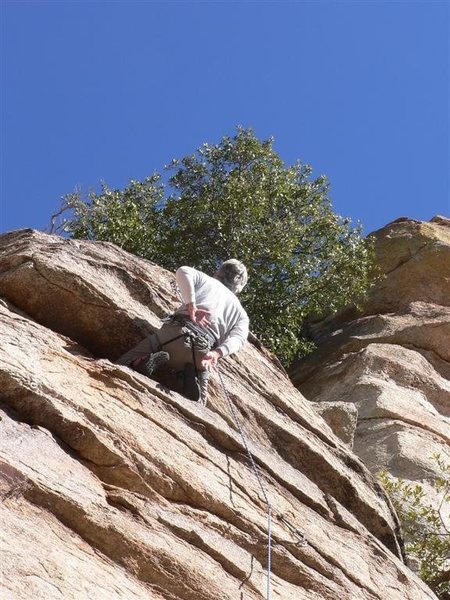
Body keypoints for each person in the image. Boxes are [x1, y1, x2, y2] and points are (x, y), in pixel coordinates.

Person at [116, 259, 249, 405]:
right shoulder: (241, 313)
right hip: (202, 351)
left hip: (174, 333)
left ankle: (139, 362)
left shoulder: (206, 280)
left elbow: (183, 271)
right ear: (239, 288)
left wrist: (191, 305)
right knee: (200, 404)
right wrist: (217, 353)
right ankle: (189, 379)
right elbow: (239, 338)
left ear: (218, 272)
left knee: (122, 364)